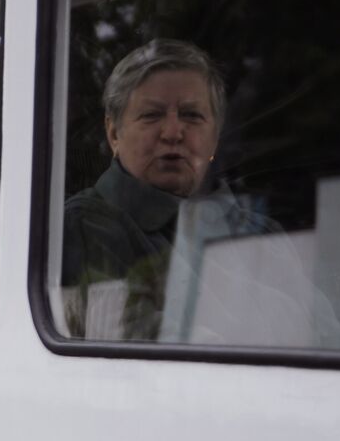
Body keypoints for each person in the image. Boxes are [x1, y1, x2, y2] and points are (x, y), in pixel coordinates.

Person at [61, 39, 266, 341]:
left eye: (192, 116)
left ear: (216, 136)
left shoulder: (258, 228)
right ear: (114, 133)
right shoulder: (85, 226)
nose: (172, 133)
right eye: (152, 115)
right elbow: (134, 343)